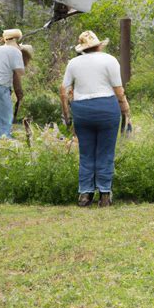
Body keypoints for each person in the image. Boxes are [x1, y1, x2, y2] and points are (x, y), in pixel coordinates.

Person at [60, 31, 131, 207]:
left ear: (82, 48)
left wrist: (67, 114)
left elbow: (63, 90)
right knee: (105, 152)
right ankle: (105, 194)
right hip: (107, 108)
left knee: (86, 153)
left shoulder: (73, 63)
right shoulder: (109, 60)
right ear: (99, 45)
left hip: (82, 110)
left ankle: (85, 194)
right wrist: (126, 110)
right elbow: (119, 91)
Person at [0, 29, 32, 145]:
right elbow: (20, 72)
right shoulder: (15, 52)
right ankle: (1, 153)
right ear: (16, 40)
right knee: (3, 124)